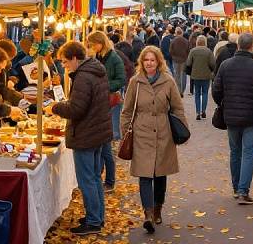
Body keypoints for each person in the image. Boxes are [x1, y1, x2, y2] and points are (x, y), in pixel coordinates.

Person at [121, 46, 188, 234]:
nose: (149, 63)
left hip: (163, 132)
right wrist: (126, 131)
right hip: (141, 132)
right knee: (144, 174)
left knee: (160, 174)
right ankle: (148, 214)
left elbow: (177, 107)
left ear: (159, 62)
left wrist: (181, 128)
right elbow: (126, 111)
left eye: (152, 60)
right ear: (141, 62)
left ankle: (158, 207)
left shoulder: (168, 81)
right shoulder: (135, 82)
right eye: (146, 60)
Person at [47, 41, 112, 236]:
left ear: (75, 58)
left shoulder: (83, 77)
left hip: (87, 134)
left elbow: (77, 109)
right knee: (93, 178)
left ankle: (93, 220)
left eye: (66, 62)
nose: (64, 66)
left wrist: (55, 107)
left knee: (87, 180)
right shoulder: (95, 71)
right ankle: (97, 217)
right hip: (97, 132)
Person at [212, 33, 253, 204]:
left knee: (235, 152)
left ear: (238, 45)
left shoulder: (226, 65)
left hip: (231, 116)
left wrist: (224, 104)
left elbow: (216, 90)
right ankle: (243, 191)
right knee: (248, 153)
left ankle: (236, 187)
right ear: (252, 46)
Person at [87, 31, 126, 193]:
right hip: (99, 102)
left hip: (109, 101)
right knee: (102, 144)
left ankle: (110, 180)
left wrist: (105, 87)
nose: (91, 47)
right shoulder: (98, 57)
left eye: (93, 44)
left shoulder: (114, 58)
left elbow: (121, 79)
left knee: (106, 145)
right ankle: (100, 176)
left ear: (100, 43)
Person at [185, 35, 216, 120]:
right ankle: (203, 111)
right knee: (205, 93)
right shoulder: (208, 51)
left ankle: (198, 112)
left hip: (195, 75)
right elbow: (213, 64)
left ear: (197, 42)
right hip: (206, 75)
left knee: (197, 94)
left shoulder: (193, 51)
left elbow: (188, 63)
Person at [169, 27, 190, 97]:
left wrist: (173, 56)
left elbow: (170, 51)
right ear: (182, 33)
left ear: (176, 33)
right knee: (183, 75)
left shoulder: (173, 41)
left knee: (177, 75)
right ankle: (182, 90)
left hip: (175, 60)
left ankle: (178, 90)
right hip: (184, 59)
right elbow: (188, 50)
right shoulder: (186, 41)